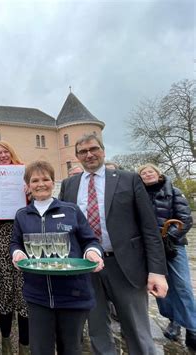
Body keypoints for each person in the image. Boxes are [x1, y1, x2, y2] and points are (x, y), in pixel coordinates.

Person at [59, 133, 168, 355]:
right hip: (86, 267)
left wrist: (157, 271)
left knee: (137, 330)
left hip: (125, 265)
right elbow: (63, 225)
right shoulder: (69, 185)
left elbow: (149, 227)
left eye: (93, 149)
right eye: (83, 151)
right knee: (97, 329)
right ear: (77, 156)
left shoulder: (128, 179)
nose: (89, 154)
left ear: (103, 150)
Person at [11, 160, 104, 354]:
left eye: (45, 179)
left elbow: (90, 240)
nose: (41, 184)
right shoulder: (22, 215)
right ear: (28, 185)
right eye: (35, 180)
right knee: (40, 349)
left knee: (70, 348)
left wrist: (93, 253)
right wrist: (17, 253)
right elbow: (15, 243)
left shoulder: (71, 210)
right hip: (37, 294)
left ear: (53, 182)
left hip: (73, 293)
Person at [137, 163, 195, 351]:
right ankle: (173, 320)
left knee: (182, 286)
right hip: (152, 247)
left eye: (150, 171)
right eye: (143, 173)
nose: (147, 174)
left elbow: (185, 219)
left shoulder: (173, 191)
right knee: (161, 287)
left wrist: (167, 237)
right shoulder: (139, 193)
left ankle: (193, 327)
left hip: (172, 246)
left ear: (158, 173)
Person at [0, 140, 29, 354]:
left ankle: (25, 343)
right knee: (3, 282)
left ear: (11, 152)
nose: (2, 155)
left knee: (23, 283)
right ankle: (6, 339)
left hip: (24, 233)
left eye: (5, 151)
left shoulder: (24, 174)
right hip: (1, 235)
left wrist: (28, 192)